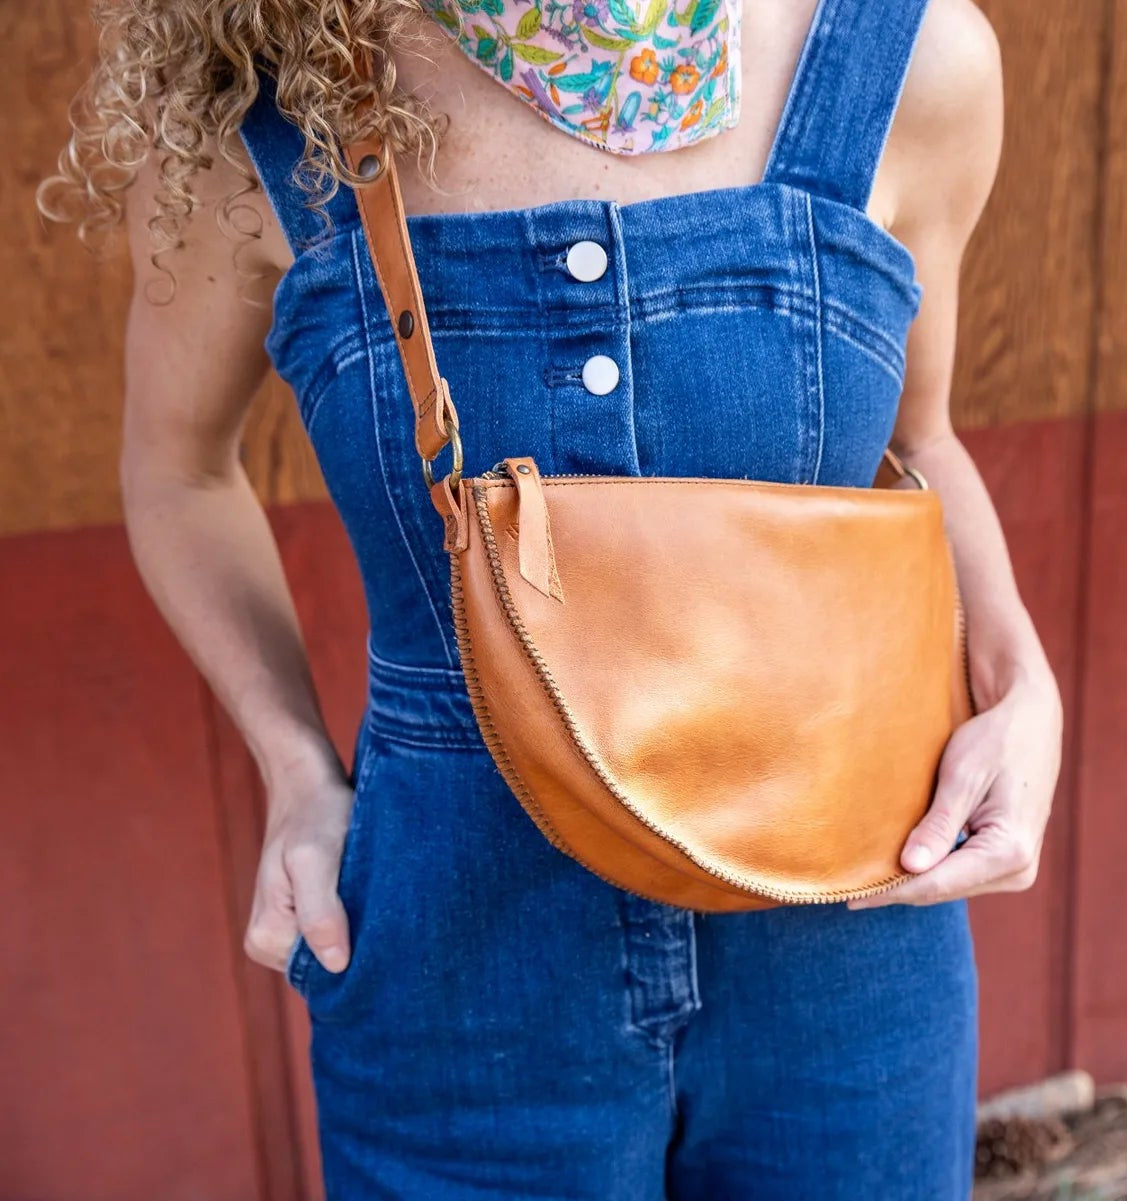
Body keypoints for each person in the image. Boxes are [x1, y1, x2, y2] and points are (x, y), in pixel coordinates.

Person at [41, 0, 1063, 1196]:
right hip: (457, 964)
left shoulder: (907, 60)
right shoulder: (265, 104)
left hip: (847, 941)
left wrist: (1021, 684)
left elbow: (919, 440)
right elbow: (175, 472)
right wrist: (297, 769)